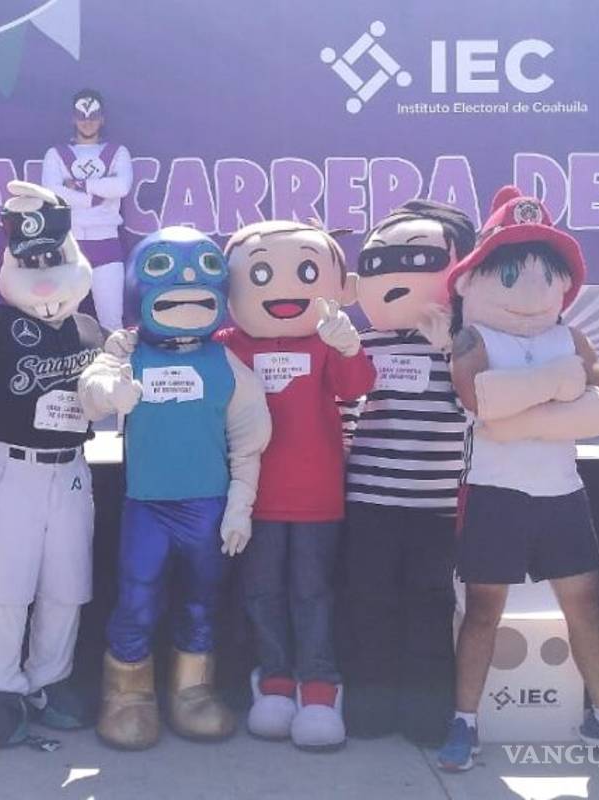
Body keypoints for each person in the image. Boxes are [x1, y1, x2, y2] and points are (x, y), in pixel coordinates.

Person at [439, 186, 599, 771]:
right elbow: (478, 399)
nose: (532, 290)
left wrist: (518, 415)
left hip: (562, 494)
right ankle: (464, 723)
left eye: (546, 275)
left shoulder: (572, 338)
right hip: (494, 493)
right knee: (483, 611)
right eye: (511, 273)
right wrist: (558, 386)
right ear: (472, 281)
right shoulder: (474, 338)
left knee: (586, 608)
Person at [79, 226, 272, 751]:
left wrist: (240, 505)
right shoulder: (129, 352)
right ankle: (127, 694)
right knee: (137, 599)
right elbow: (90, 393)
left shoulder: (225, 362)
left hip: (207, 507)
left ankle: (193, 691)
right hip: (147, 507)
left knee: (201, 601)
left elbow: (248, 441)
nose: (187, 286)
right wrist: (109, 389)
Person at [0, 182, 104, 747]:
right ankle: (0, 688)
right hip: (15, 468)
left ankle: (47, 682)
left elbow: (108, 381)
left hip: (73, 468)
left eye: (53, 260)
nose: (45, 278)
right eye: (29, 263)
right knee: (5, 586)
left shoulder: (90, 328)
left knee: (67, 584)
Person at [217, 220, 375, 751]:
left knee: (312, 592)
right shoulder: (228, 345)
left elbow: (356, 388)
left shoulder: (324, 342)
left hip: (316, 495)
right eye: (260, 274)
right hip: (253, 495)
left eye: (306, 272)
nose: (284, 288)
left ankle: (320, 685)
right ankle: (275, 678)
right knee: (261, 591)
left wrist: (348, 347)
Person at [342, 200, 474, 746]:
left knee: (429, 606)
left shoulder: (464, 345)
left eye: (418, 260)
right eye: (378, 263)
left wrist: (451, 351)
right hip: (368, 499)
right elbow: (343, 412)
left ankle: (426, 712)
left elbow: (476, 407)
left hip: (435, 505)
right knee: (368, 603)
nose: (393, 275)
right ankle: (370, 707)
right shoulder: (363, 343)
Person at [40, 88, 132, 332]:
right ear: (73, 118)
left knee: (112, 322)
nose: (88, 121)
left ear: (102, 119)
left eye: (93, 116)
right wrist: (99, 192)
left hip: (107, 243)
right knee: (64, 321)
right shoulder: (55, 154)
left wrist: (79, 185)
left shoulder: (118, 152)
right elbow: (53, 193)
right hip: (69, 244)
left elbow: (121, 187)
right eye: (82, 115)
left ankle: (113, 360)